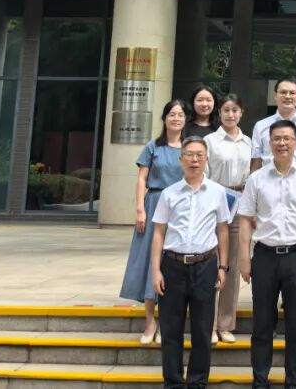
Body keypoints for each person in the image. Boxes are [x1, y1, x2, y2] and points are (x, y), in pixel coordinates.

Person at [237, 119, 296, 389]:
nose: (282, 143)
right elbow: (245, 219)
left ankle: (294, 381)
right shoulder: (256, 178)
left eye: (287, 138)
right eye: (277, 138)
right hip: (264, 256)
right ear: (269, 143)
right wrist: (244, 258)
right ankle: (260, 380)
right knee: (262, 324)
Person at [150, 136, 231, 389]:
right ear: (181, 159)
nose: (194, 160)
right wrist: (155, 270)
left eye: (199, 155)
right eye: (189, 155)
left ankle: (197, 382)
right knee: (170, 331)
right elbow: (159, 233)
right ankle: (173, 382)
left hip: (205, 265)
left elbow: (223, 230)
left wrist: (223, 266)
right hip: (172, 266)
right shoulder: (169, 193)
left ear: (206, 159)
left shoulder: (218, 192)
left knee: (203, 330)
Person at [119, 98, 187, 345]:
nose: (176, 118)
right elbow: (141, 179)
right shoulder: (153, 147)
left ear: (185, 120)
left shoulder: (189, 147)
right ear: (164, 118)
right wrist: (140, 209)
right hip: (154, 203)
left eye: (180, 115)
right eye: (172, 114)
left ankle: (169, 322)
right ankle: (150, 321)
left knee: (175, 262)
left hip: (181, 208)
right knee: (151, 261)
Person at [204, 92, 252, 343]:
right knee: (211, 265)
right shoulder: (209, 141)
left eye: (235, 110)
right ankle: (208, 325)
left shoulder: (249, 143)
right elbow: (204, 175)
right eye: (226, 110)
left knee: (232, 267)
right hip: (214, 204)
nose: (230, 114)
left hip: (239, 206)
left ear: (241, 113)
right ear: (219, 113)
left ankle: (225, 324)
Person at [249, 77, 296, 173]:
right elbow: (256, 163)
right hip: (269, 180)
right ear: (275, 95)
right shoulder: (261, 126)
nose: (287, 96)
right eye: (283, 92)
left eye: (292, 93)